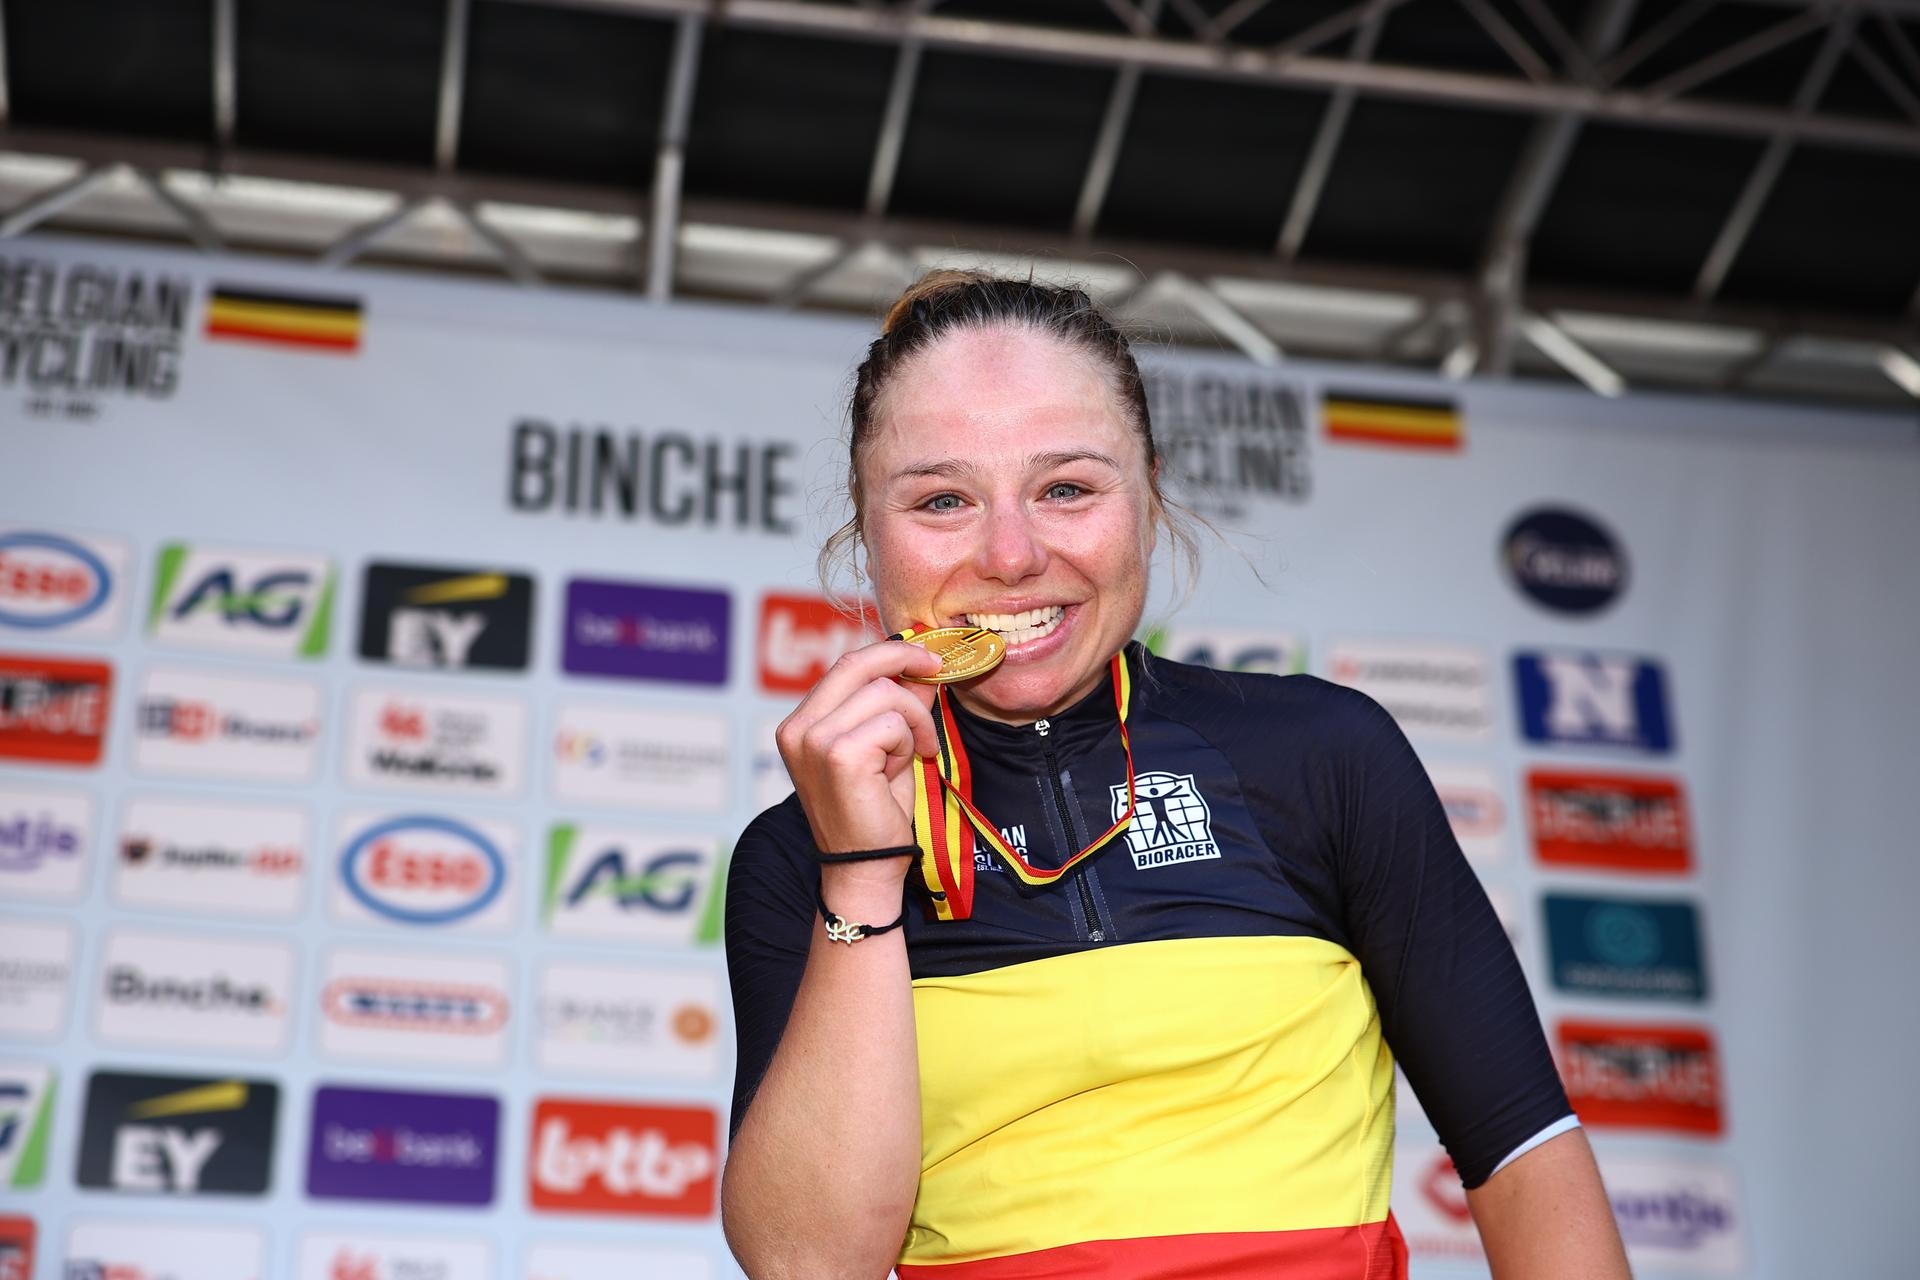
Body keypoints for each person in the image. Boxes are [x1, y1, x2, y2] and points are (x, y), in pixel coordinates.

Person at [721, 270, 1630, 1280]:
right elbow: (809, 1265)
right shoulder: (795, 857)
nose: (1012, 555)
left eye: (1066, 488)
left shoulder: (1326, 754)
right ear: (867, 532)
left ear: (1148, 496)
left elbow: (1526, 1158)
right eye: (943, 499)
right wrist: (858, 876)